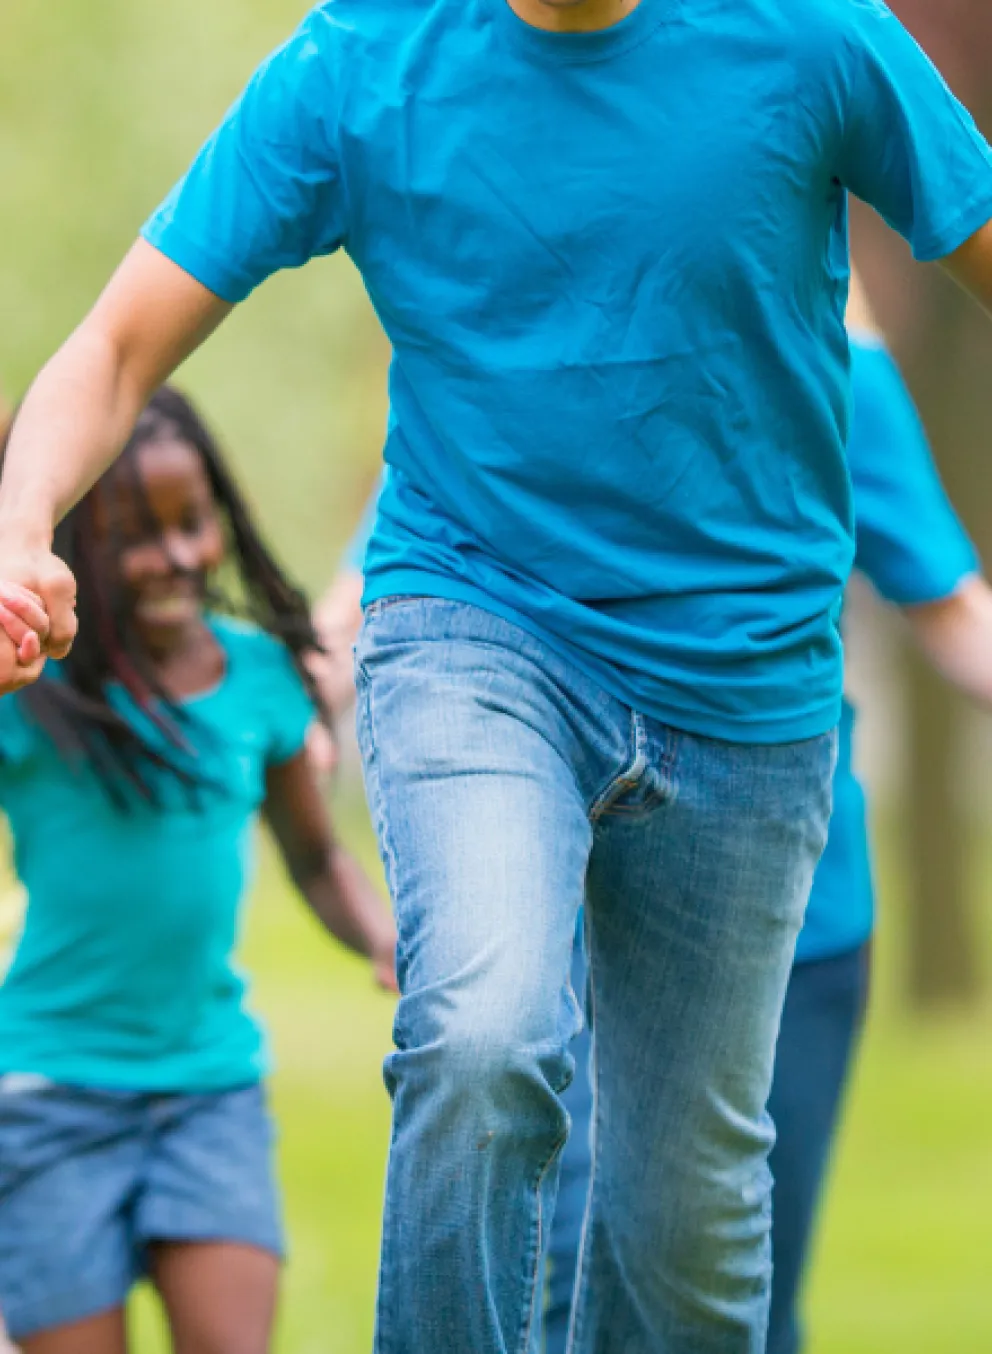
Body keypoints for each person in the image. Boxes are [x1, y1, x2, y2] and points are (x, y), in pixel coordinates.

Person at [2, 3, 992, 1349]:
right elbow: (116, 347)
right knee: (482, 1028)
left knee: (685, 1215)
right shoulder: (361, 64)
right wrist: (18, 528)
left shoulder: (813, 35)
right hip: (479, 625)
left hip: (744, 676)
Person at [0, 387, 397, 1354]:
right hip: (50, 1092)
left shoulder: (262, 678)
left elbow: (314, 860)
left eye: (193, 523)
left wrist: (391, 943)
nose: (177, 556)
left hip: (209, 1092)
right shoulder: (32, 695)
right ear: (76, 549)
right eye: (139, 534)